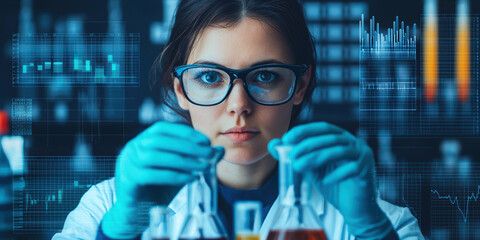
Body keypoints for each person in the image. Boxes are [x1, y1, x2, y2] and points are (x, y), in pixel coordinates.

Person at [53, 0, 424, 239]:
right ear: (179, 88)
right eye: (210, 77)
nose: (239, 106)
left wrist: (373, 232)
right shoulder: (105, 209)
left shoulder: (378, 222)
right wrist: (117, 232)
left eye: (265, 76)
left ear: (300, 84)